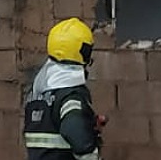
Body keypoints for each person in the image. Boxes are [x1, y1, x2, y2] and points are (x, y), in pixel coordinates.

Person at [22, 17, 105, 160]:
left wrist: (88, 122)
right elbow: (73, 129)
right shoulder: (70, 91)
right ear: (83, 51)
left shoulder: (38, 90)